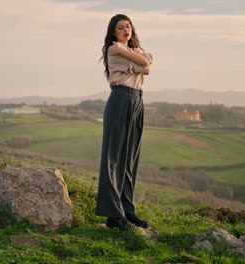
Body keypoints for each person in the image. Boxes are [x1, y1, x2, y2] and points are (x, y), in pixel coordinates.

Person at [95, 14, 153, 231]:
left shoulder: (133, 51)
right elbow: (144, 63)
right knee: (113, 159)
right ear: (114, 32)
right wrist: (139, 62)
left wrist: (137, 61)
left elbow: (146, 64)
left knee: (130, 158)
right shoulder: (113, 49)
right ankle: (114, 214)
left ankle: (127, 211)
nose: (126, 30)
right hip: (120, 98)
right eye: (121, 28)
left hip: (137, 100)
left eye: (128, 26)